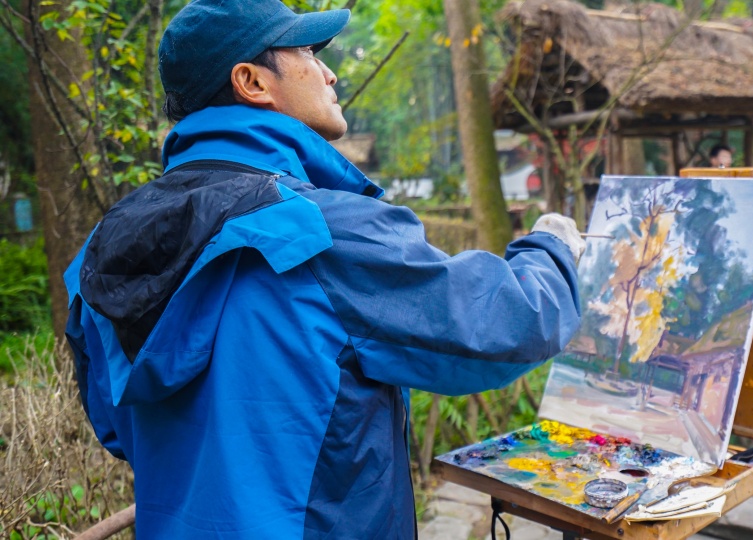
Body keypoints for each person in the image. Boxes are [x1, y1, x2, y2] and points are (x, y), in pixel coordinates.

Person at [63, 1, 584, 538]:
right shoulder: (317, 231)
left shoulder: (104, 248)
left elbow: (115, 427)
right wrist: (552, 246)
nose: (330, 72)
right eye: (308, 52)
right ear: (251, 81)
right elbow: (508, 324)